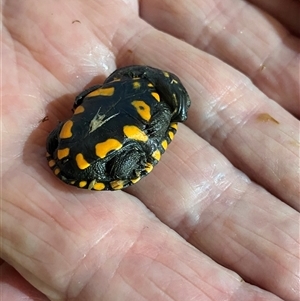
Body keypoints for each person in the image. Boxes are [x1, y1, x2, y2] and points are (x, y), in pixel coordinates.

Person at [1, 1, 299, 300]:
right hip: (95, 131)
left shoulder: (119, 96)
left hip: (102, 124)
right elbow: (86, 103)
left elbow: (83, 101)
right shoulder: (126, 99)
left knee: (104, 147)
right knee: (109, 153)